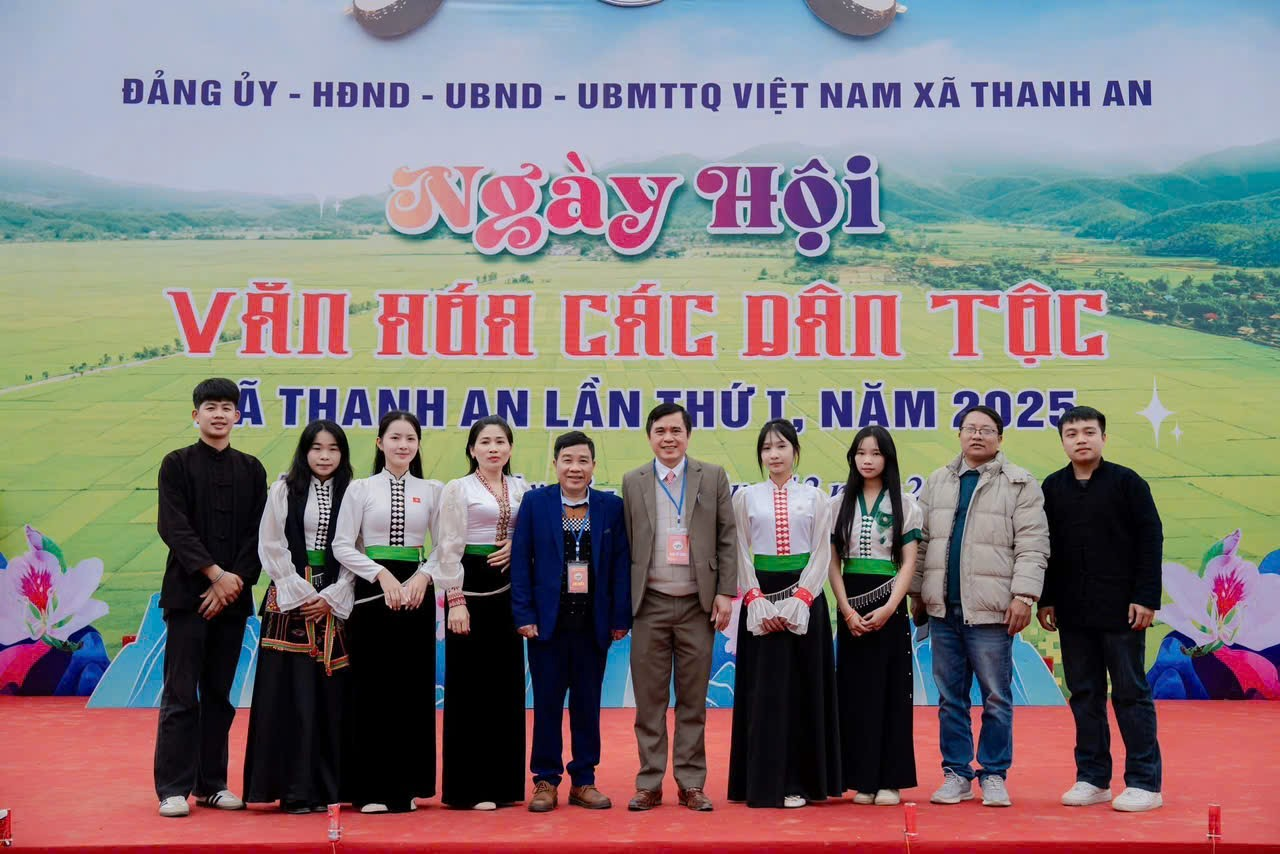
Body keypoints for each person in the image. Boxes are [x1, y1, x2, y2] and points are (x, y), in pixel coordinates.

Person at [911, 405, 1049, 808]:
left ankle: (994, 774)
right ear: (959, 435)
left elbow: (1033, 545)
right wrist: (918, 593)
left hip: (991, 612)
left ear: (1000, 439)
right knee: (950, 698)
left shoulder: (1020, 483)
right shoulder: (937, 482)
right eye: (969, 428)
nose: (977, 435)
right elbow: (921, 543)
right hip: (943, 611)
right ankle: (956, 773)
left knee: (995, 697)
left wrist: (1024, 596)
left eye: (986, 430)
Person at [1037, 406, 1164, 812]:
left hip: (1123, 611)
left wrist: (1146, 597)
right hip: (1073, 611)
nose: (1081, 439)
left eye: (1089, 432)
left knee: (1130, 693)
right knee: (1085, 695)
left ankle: (1145, 782)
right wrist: (1047, 598)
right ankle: (1093, 778)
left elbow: (1151, 540)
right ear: (1062, 441)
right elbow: (1046, 548)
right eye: (1072, 433)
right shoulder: (1052, 487)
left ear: (1104, 438)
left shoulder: (1128, 483)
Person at [154, 378, 267, 818]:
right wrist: (215, 574)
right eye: (210, 407)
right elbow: (173, 526)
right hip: (188, 598)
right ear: (195, 415)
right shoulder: (176, 464)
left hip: (233, 600)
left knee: (219, 695)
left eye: (226, 408)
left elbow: (259, 533)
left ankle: (212, 784)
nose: (218, 414)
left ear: (238, 415)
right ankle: (173, 788)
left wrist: (233, 580)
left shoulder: (251, 469)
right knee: (181, 694)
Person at [621, 403, 736, 812]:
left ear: (688, 435)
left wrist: (725, 592)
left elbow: (727, 536)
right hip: (649, 604)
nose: (668, 439)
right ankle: (649, 783)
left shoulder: (712, 476)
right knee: (649, 702)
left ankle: (691, 783)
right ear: (649, 437)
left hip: (696, 606)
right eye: (660, 431)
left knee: (692, 700)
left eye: (676, 431)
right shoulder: (633, 481)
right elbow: (626, 544)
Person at [510, 431, 631, 813]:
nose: (575, 468)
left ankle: (584, 780)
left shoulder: (611, 507)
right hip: (547, 626)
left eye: (582, 461)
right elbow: (521, 562)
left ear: (593, 466)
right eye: (567, 460)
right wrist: (524, 615)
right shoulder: (536, 503)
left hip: (592, 626)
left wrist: (619, 617)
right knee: (546, 704)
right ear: (555, 464)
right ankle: (545, 780)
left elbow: (620, 567)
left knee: (587, 705)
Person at [330, 410, 442, 814]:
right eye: (395, 437)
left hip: (416, 595)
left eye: (410, 438)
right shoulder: (360, 489)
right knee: (371, 688)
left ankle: (406, 787)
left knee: (411, 690)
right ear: (380, 443)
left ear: (418, 444)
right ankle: (369, 789)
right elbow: (342, 545)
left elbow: (445, 545)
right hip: (371, 593)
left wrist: (423, 576)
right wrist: (380, 574)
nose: (402, 445)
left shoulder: (432, 490)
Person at [727, 419, 841, 809]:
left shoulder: (816, 498)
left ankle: (799, 782)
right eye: (766, 448)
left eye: (781, 447)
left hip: (805, 603)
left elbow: (822, 552)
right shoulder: (746, 497)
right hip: (760, 601)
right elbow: (739, 550)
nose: (774, 455)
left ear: (795, 451)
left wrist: (802, 598)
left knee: (802, 692)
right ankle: (760, 783)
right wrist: (756, 599)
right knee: (764, 693)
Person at [244, 420, 353, 813]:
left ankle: (328, 789)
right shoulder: (284, 489)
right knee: (290, 697)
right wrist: (299, 590)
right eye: (316, 448)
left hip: (337, 600)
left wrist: (334, 594)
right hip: (289, 600)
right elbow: (271, 544)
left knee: (330, 698)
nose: (324, 456)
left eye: (333, 449)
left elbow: (357, 548)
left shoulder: (353, 491)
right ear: (304, 452)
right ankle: (293, 790)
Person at [433, 416, 530, 810]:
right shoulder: (459, 488)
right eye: (485, 442)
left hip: (508, 589)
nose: (494, 448)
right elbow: (448, 545)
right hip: (470, 586)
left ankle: (504, 785)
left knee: (505, 686)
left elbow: (533, 531)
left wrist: (516, 543)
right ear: (472, 449)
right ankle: (468, 788)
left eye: (500, 441)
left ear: (510, 448)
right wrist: (455, 599)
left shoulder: (521, 487)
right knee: (470, 687)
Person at [828, 426, 922, 806]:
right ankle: (861, 779)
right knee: (854, 693)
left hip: (890, 605)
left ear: (888, 458)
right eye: (861, 453)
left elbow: (909, 563)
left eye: (876, 453)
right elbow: (832, 563)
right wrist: (846, 610)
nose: (867, 460)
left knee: (891, 691)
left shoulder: (905, 504)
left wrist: (889, 607)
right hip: (850, 604)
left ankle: (890, 780)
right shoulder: (838, 504)